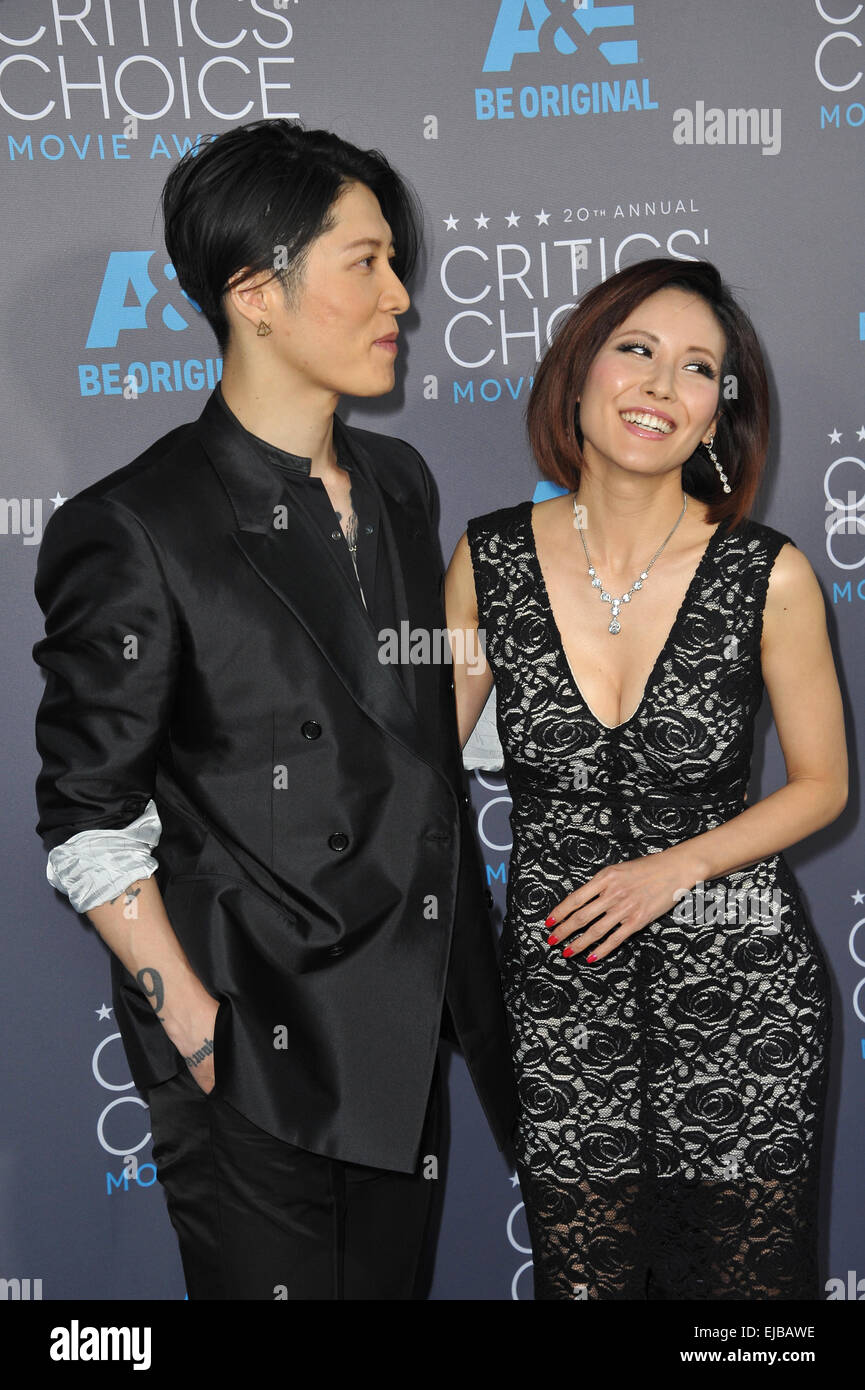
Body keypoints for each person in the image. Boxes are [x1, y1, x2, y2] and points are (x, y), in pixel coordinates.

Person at [32, 118, 517, 1301]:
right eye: (366, 262)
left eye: (396, 261)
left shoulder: (399, 482)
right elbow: (87, 818)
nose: (401, 294)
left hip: (404, 1025)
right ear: (255, 292)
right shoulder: (135, 524)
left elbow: (403, 733)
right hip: (257, 1040)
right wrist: (200, 1028)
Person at [445, 257, 847, 1301]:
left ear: (718, 413)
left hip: (743, 995)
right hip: (562, 1001)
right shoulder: (486, 561)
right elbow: (417, 764)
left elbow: (821, 786)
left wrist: (672, 869)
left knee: (746, 1316)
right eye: (636, 350)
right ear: (578, 375)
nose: (661, 386)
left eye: (697, 368)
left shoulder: (770, 573)